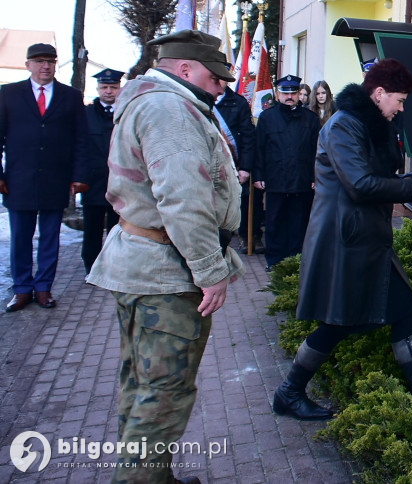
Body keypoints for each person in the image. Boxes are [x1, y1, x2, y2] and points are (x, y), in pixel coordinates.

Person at [86, 30, 244, 482]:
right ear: (185, 69)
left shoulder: (155, 101)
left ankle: (152, 476)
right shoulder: (170, 110)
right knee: (165, 392)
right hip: (165, 272)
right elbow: (183, 199)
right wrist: (210, 271)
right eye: (216, 78)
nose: (222, 87)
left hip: (146, 264)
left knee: (142, 383)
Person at [273, 58, 412, 421]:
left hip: (365, 238)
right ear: (378, 93)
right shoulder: (342, 126)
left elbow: (375, 175)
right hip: (345, 240)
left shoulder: (367, 124)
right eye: (398, 100)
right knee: (338, 323)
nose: (400, 107)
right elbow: (361, 184)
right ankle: (289, 392)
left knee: (402, 310)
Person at [0, 42, 89, 312]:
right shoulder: (8, 94)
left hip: (55, 179)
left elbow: (81, 140)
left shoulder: (70, 96)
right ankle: (22, 289)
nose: (45, 66)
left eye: (50, 61)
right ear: (28, 64)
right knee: (20, 238)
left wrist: (79, 176)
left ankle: (43, 288)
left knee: (50, 238)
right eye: (39, 61)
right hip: (19, 180)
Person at [253, 75, 320, 270]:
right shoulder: (267, 117)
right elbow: (260, 149)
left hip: (302, 179)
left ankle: (296, 260)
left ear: (300, 94)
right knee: (275, 221)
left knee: (299, 221)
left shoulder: (311, 119)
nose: (289, 96)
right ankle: (275, 261)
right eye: (285, 92)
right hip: (276, 178)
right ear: (277, 94)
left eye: (293, 92)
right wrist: (258, 175)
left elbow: (317, 151)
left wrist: (316, 176)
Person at [80, 68, 124, 274]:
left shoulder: (127, 112)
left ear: (119, 88)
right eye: (104, 87)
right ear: (97, 89)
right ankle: (92, 267)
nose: (108, 91)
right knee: (92, 229)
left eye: (113, 87)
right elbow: (78, 147)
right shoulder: (85, 114)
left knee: (119, 229)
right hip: (94, 181)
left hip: (122, 182)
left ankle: (115, 267)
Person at [215, 84, 264, 254]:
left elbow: (248, 138)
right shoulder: (201, 100)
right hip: (214, 164)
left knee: (247, 201)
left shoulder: (238, 102)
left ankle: (250, 236)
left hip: (237, 163)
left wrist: (245, 167)